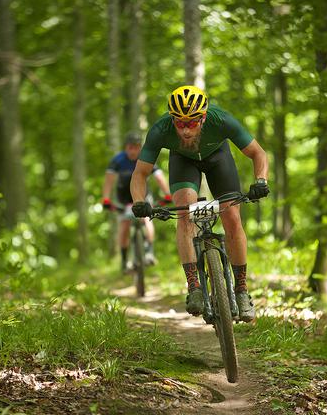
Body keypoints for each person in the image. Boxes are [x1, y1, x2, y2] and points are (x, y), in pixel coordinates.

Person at [130, 85, 269, 322]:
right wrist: (139, 201)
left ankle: (242, 290)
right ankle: (194, 286)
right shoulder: (160, 130)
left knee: (233, 217)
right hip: (183, 161)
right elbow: (140, 173)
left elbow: (258, 153)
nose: (185, 130)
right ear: (172, 120)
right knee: (185, 212)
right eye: (179, 123)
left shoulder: (222, 120)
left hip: (218, 158)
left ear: (203, 118)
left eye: (192, 123)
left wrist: (261, 180)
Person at [102, 133, 171, 273]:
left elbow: (158, 176)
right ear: (125, 147)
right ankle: (124, 260)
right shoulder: (118, 160)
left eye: (136, 147)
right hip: (124, 197)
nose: (133, 151)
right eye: (130, 147)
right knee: (125, 224)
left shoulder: (145, 158)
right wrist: (106, 198)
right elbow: (109, 180)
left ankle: (150, 252)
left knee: (147, 218)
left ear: (140, 147)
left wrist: (167, 194)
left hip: (143, 194)